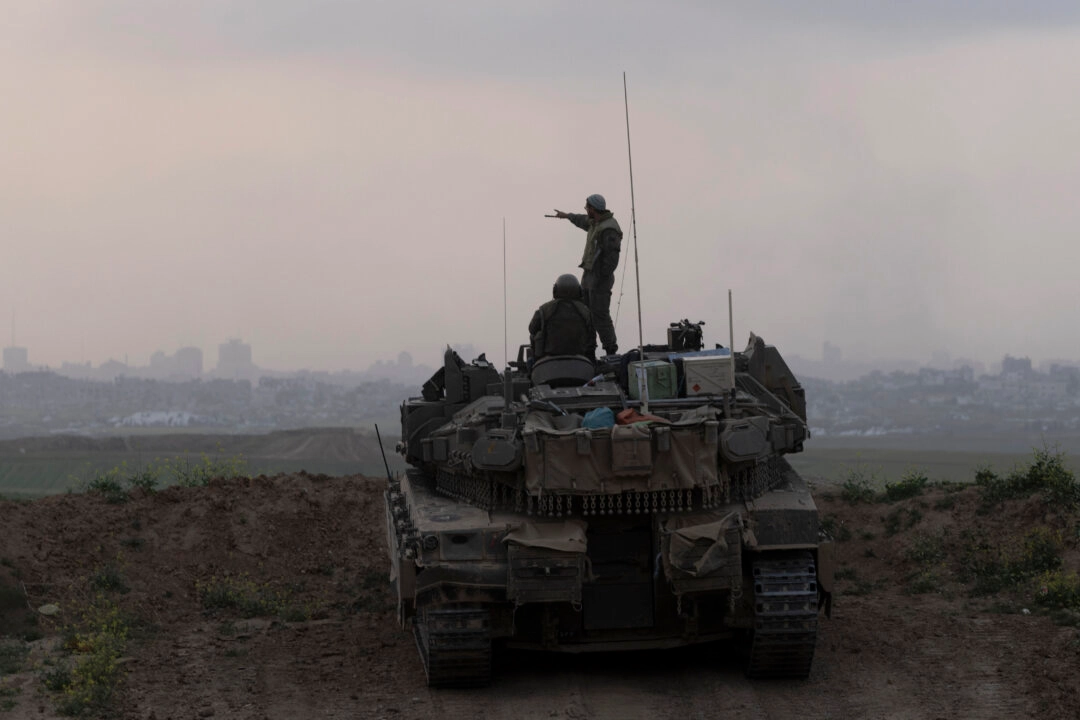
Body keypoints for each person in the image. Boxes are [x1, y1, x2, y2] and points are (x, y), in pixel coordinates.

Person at [549, 194, 622, 355]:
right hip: (589, 276)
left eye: (586, 207)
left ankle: (611, 350)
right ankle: (589, 350)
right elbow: (582, 220)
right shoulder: (595, 222)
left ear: (593, 208)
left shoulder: (609, 228)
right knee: (585, 314)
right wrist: (567, 216)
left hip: (600, 279)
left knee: (600, 314)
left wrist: (600, 278)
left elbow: (611, 261)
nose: (585, 210)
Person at [529, 274, 597, 361]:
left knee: (531, 355)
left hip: (547, 361)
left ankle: (534, 363)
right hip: (580, 360)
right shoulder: (586, 311)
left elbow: (532, 329)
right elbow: (592, 338)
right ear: (579, 291)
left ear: (555, 290)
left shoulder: (544, 309)